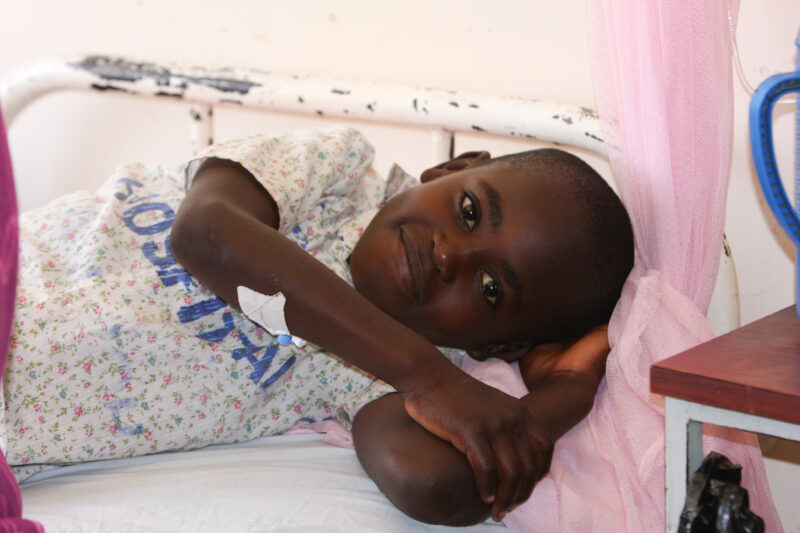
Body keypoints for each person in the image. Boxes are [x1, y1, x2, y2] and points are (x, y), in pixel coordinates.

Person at [4, 126, 632, 522]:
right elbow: (203, 235)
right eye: (469, 211)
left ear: (496, 344)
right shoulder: (335, 171)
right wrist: (427, 377)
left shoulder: (380, 381)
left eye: (490, 289)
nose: (450, 255)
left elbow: (433, 483)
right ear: (449, 168)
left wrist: (562, 395)